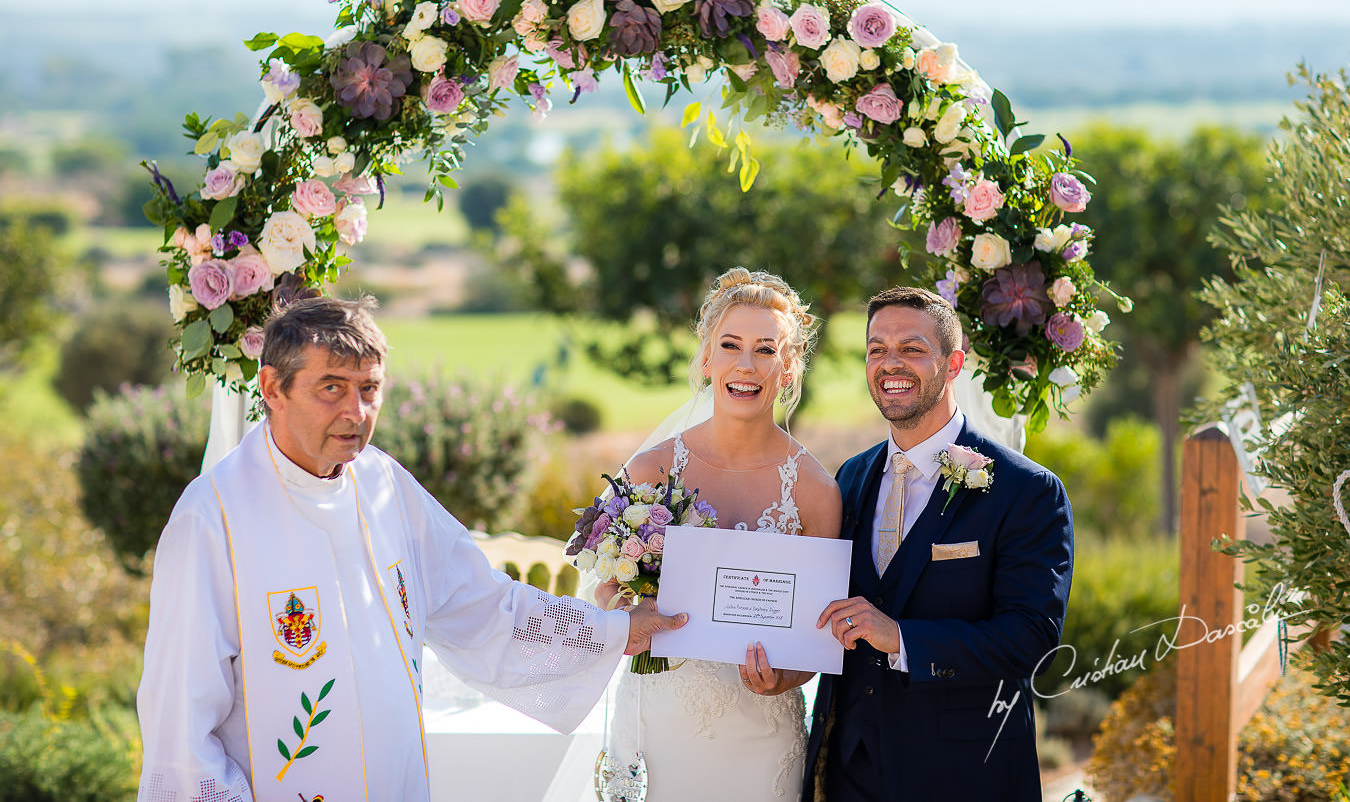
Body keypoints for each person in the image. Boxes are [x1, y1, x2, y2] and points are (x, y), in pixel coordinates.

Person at [136, 296, 684, 802]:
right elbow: (180, 721)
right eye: (331, 387)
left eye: (369, 388)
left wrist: (610, 631)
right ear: (273, 388)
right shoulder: (213, 519)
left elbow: (481, 604)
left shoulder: (383, 484)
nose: (356, 412)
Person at [803, 287, 1073, 801]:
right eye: (876, 349)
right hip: (849, 772)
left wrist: (903, 638)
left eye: (911, 348)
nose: (890, 363)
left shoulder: (1027, 491)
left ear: (954, 364)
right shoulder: (851, 477)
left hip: (965, 773)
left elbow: (1031, 637)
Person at [597, 267, 843, 802]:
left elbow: (822, 633)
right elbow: (605, 588)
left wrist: (786, 677)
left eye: (765, 349)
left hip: (761, 731)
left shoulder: (816, 490)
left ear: (789, 366)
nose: (745, 365)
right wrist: (628, 616)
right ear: (707, 358)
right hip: (656, 724)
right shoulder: (650, 470)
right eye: (730, 345)